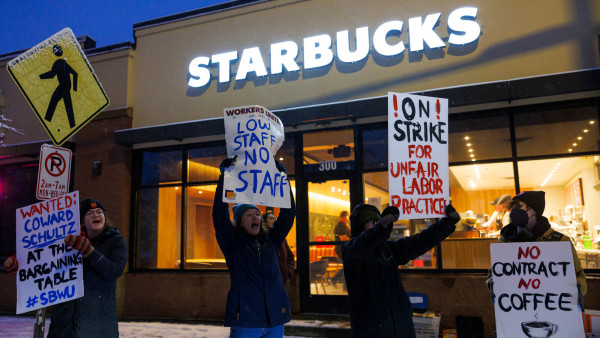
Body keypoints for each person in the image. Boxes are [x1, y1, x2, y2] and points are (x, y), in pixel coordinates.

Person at [3, 198, 127, 338]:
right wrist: (23, 267)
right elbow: (46, 267)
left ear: (105, 217)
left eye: (99, 212)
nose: (95, 215)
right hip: (64, 322)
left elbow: (113, 271)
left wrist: (89, 252)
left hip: (96, 322)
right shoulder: (67, 240)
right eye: (90, 213)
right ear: (81, 221)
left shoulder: (115, 241)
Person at [342, 203, 461, 337]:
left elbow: (418, 242)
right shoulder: (351, 250)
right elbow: (364, 241)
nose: (375, 225)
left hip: (402, 328)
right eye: (371, 222)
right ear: (359, 226)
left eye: (377, 221)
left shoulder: (388, 250)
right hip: (372, 331)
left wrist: (446, 224)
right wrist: (381, 227)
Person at [213, 157, 296, 337]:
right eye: (249, 215)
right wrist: (224, 179)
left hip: (275, 319)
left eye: (257, 214)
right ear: (240, 222)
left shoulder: (271, 240)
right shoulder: (233, 244)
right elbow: (219, 217)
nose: (255, 218)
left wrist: (283, 180)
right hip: (246, 322)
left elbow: (289, 214)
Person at [486, 191, 587, 310]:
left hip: (554, 310)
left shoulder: (560, 242)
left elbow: (579, 275)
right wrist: (494, 284)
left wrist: (576, 289)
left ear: (534, 210)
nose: (514, 211)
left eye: (519, 207)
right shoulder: (505, 242)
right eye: (512, 208)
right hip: (517, 311)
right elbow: (493, 274)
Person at [261, 212, 295, 285]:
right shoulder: (261, 239)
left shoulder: (282, 239)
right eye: (271, 218)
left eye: (275, 218)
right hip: (266, 282)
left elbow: (290, 256)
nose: (274, 220)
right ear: (265, 222)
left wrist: (288, 272)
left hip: (282, 281)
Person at [331, 211, 350, 288]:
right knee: (348, 266)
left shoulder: (344, 226)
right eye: (348, 217)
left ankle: (335, 280)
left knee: (347, 266)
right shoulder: (340, 226)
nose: (348, 219)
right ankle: (344, 286)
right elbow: (343, 238)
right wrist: (353, 239)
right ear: (344, 216)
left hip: (344, 249)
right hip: (341, 249)